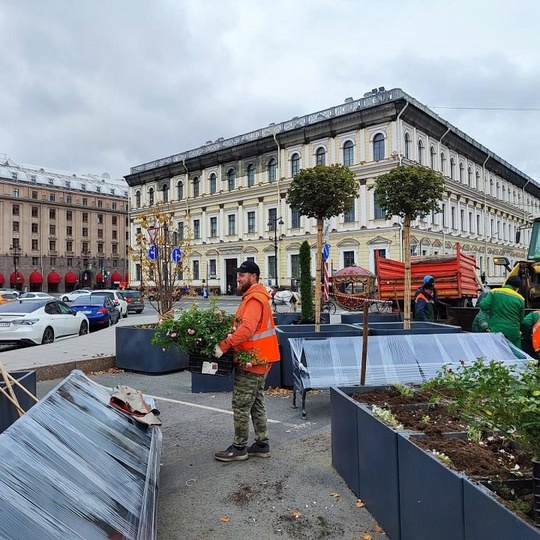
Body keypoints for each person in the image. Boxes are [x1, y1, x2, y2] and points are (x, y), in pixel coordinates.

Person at [213, 261, 280, 462]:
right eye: (237, 275)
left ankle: (239, 447)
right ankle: (261, 444)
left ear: (253, 276)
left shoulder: (253, 299)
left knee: (241, 405)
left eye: (242, 275)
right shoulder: (257, 298)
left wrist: (224, 345)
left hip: (250, 360)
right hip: (259, 360)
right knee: (256, 403)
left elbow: (246, 329)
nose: (238, 278)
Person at [478, 275, 525, 348]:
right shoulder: (521, 298)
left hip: (496, 330)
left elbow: (483, 306)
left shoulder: (494, 292)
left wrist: (483, 298)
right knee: (514, 354)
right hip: (513, 332)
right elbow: (521, 318)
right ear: (517, 288)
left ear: (506, 283)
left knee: (497, 353)